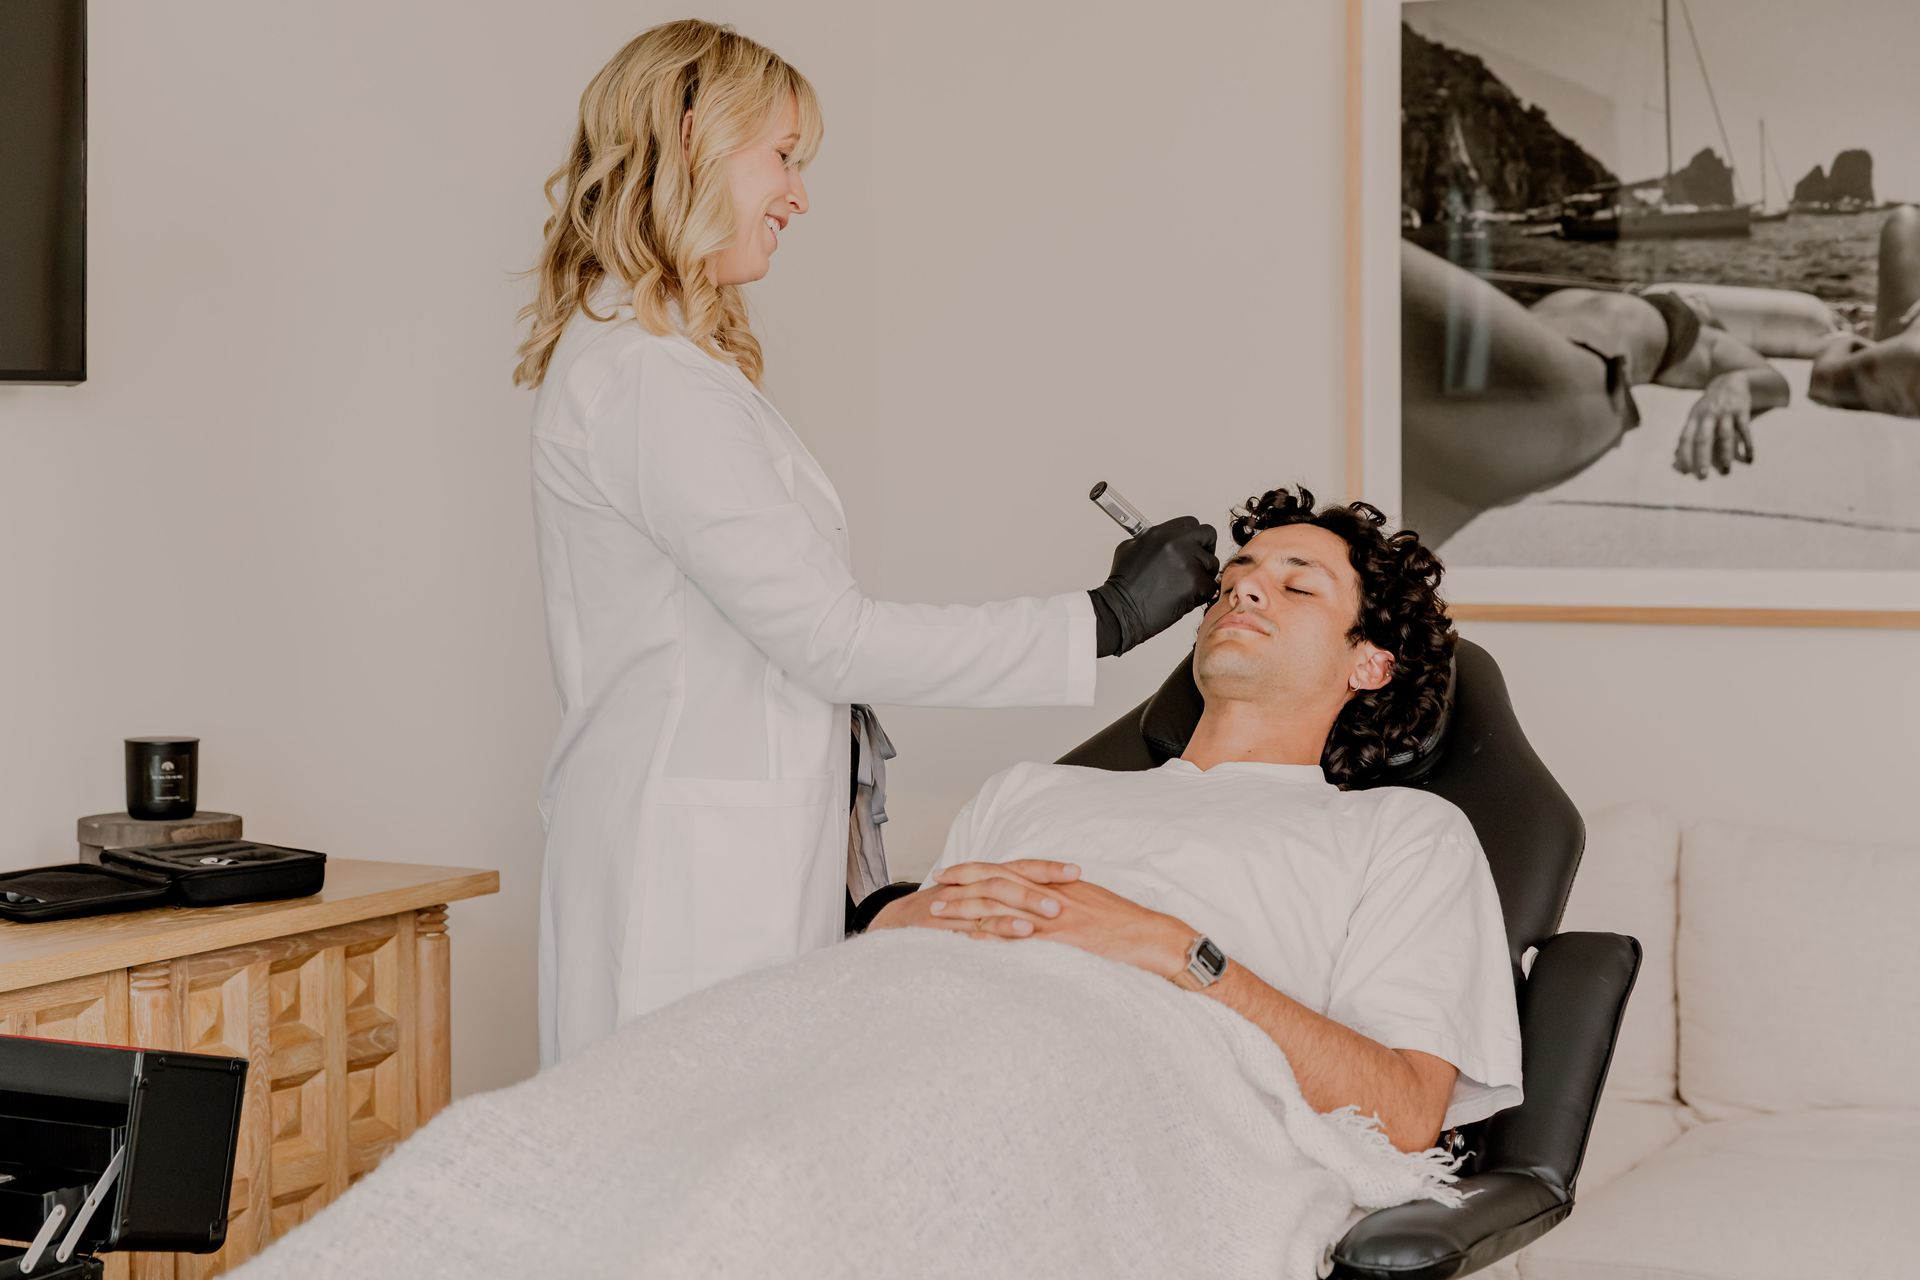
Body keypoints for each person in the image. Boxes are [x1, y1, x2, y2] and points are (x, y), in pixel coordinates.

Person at [228, 486, 1519, 1279]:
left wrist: (1175, 951)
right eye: (1239, 576)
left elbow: (1408, 1110)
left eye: (1298, 584)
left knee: (781, 1183)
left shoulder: (1398, 837)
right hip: (892, 1017)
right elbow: (889, 963)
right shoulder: (1037, 792)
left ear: (1371, 668)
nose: (1246, 590)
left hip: (1115, 1067)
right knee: (523, 1145)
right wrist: (904, 909)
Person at [515, 20, 1218, 1065]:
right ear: (698, 135)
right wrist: (1103, 622)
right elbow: (831, 640)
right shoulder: (648, 381)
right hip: (683, 872)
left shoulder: (664, 364)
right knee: (680, 1170)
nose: (799, 194)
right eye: (785, 157)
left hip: (721, 846)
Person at [1401, 241, 1791, 544]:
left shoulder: (1699, 336)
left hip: (1572, 383)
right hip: (1526, 380)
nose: (1695, 300)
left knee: (1364, 256)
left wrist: (1731, 383)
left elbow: (1772, 380)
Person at [1810, 205, 1920, 419]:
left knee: (1903, 220)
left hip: (1906, 324)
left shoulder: (1911, 359)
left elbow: (1823, 380)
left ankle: (1876, 330)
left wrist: (1846, 342)